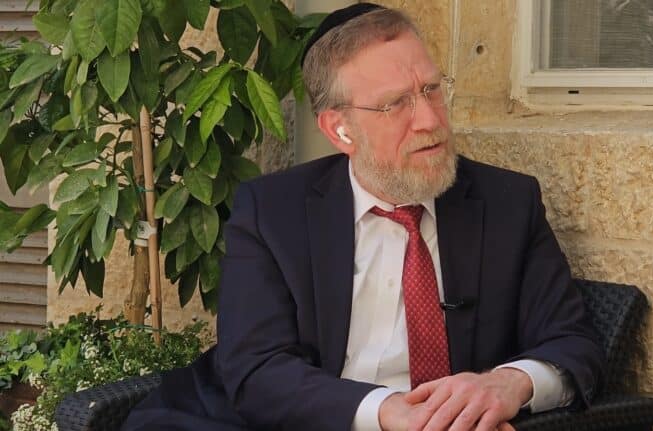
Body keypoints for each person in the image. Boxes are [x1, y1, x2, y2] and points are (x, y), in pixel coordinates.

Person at [123, 4, 603, 431]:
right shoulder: (272, 212)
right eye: (396, 104)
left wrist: (509, 383)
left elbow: (574, 344)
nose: (430, 120)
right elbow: (256, 368)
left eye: (431, 89)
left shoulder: (507, 203)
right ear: (340, 130)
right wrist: (386, 411)